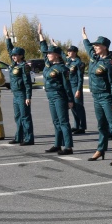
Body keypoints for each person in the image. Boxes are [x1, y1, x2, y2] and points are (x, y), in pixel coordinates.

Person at [81, 29, 112, 164]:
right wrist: (85, 37)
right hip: (96, 97)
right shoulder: (95, 58)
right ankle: (101, 150)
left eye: (97, 45)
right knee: (101, 125)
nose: (95, 47)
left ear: (104, 47)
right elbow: (88, 48)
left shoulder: (111, 64)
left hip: (107, 97)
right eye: (94, 45)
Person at [38, 25, 74, 154]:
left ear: (57, 55)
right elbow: (43, 51)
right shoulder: (48, 65)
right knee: (56, 121)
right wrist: (41, 36)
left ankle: (68, 147)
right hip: (50, 96)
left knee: (63, 121)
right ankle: (57, 144)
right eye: (48, 54)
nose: (48, 55)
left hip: (60, 96)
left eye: (50, 53)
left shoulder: (62, 69)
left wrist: (70, 100)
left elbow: (67, 86)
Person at [4, 27, 34, 145]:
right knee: (17, 116)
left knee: (25, 116)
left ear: (21, 55)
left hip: (22, 94)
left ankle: (29, 138)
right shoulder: (14, 64)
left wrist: (28, 96)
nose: (13, 56)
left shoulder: (24, 66)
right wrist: (7, 38)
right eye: (13, 55)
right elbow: (9, 49)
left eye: (16, 55)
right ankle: (19, 137)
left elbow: (27, 83)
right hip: (15, 94)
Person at [65, 45, 87, 135]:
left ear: (75, 52)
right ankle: (76, 125)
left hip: (75, 86)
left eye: (70, 51)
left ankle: (82, 127)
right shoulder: (69, 61)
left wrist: (78, 90)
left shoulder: (79, 63)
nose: (68, 53)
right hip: (69, 86)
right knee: (72, 106)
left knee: (79, 106)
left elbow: (80, 78)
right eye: (68, 51)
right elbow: (62, 55)